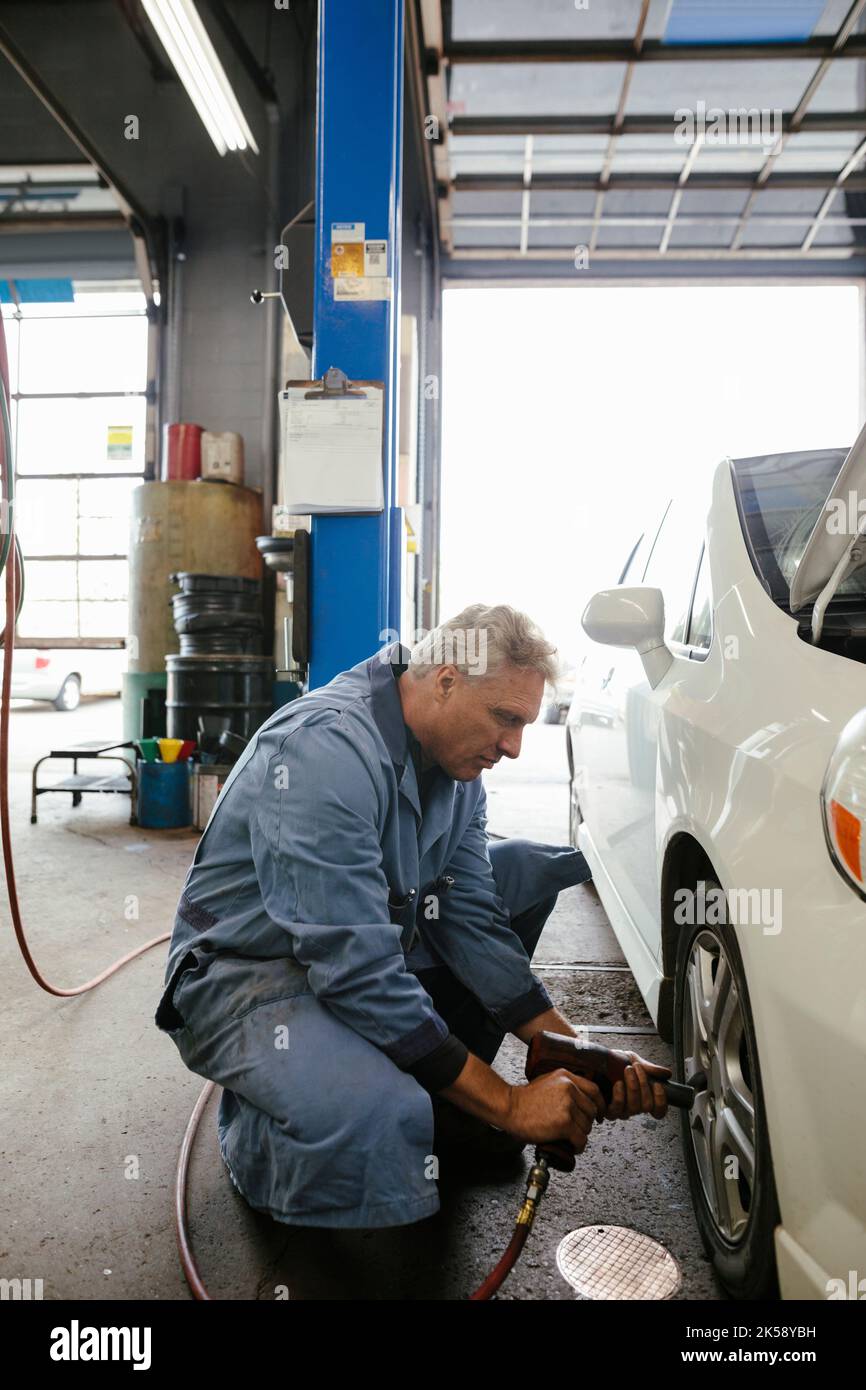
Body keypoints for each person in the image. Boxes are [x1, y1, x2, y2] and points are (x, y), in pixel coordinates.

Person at [156, 603, 669, 1229]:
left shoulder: (456, 770)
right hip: (249, 977)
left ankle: (438, 1092)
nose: (513, 747)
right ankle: (268, 1137)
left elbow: (472, 917)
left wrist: (570, 1049)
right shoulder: (323, 754)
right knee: (375, 1112)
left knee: (522, 871)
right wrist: (508, 1102)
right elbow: (358, 971)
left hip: (354, 953)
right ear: (446, 680)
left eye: (525, 725)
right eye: (505, 719)